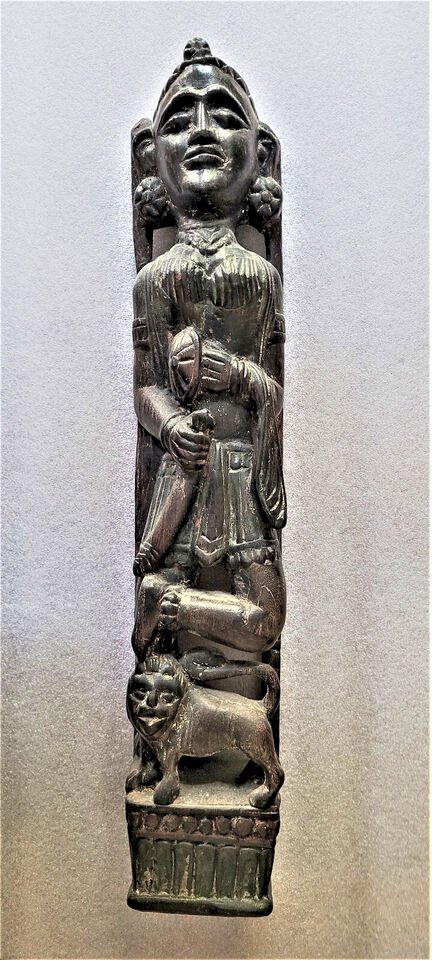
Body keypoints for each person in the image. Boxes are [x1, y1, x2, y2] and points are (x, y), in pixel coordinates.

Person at [131, 39, 287, 664]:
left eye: (223, 115)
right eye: (179, 120)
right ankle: (167, 689)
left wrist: (239, 372)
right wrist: (170, 426)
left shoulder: (261, 277)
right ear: (151, 158)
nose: (201, 130)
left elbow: (272, 391)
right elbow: (146, 386)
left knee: (266, 622)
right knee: (155, 606)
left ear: (260, 153)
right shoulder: (156, 279)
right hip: (182, 468)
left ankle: (172, 604)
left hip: (242, 468)